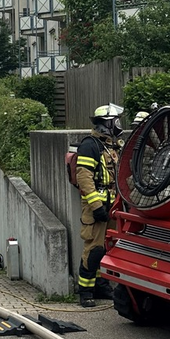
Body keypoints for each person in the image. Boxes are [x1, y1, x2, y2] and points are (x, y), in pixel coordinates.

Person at [76, 104, 123, 307]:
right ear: (107, 123)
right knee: (94, 249)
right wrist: (96, 206)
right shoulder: (90, 145)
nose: (119, 125)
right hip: (96, 207)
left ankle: (101, 286)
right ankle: (85, 291)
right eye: (116, 121)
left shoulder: (112, 146)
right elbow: (84, 177)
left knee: (108, 249)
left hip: (112, 206)